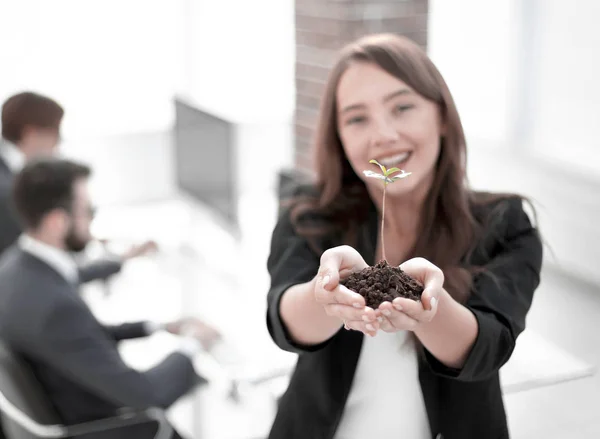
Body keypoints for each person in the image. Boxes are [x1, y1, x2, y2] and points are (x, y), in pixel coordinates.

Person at [266, 34, 543, 439]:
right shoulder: (308, 212)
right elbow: (284, 320)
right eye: (357, 118)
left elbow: (488, 347)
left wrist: (428, 307)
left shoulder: (504, 224)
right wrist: (325, 295)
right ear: (339, 137)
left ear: (442, 116)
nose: (383, 134)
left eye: (402, 107)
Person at [0, 158, 220, 439]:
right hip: (106, 426)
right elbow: (147, 394)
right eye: (89, 211)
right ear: (57, 222)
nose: (92, 220)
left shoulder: (13, 270)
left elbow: (76, 336)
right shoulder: (56, 308)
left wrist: (156, 326)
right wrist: (193, 345)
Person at [0, 91, 154, 278]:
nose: (58, 145)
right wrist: (118, 260)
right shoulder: (7, 193)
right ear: (31, 133)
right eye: (56, 134)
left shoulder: (12, 175)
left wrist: (83, 235)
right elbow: (44, 266)